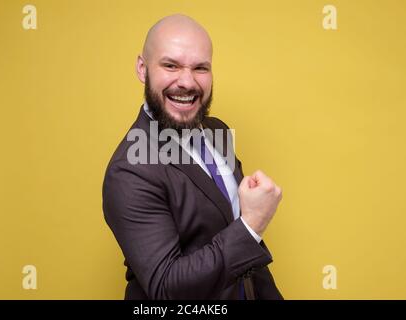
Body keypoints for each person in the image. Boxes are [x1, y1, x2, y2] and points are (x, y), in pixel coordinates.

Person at [102, 14, 283, 300]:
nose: (187, 82)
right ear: (142, 68)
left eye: (200, 68)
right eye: (170, 65)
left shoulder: (217, 131)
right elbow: (166, 289)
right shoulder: (130, 170)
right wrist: (251, 226)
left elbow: (242, 251)